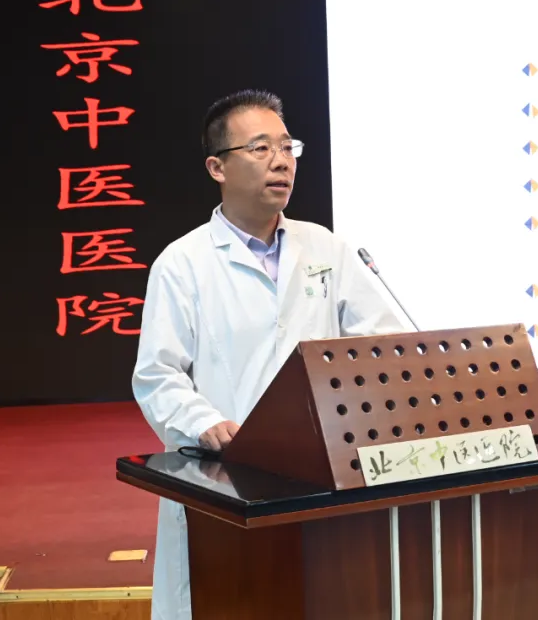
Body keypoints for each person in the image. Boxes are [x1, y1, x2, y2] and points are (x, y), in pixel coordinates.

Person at [131, 90, 409, 620]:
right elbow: (158, 375)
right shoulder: (182, 263)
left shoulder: (325, 248)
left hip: (320, 467)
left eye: (287, 147)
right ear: (217, 167)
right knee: (234, 601)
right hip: (228, 474)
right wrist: (204, 422)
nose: (281, 161)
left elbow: (381, 346)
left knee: (320, 597)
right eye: (260, 148)